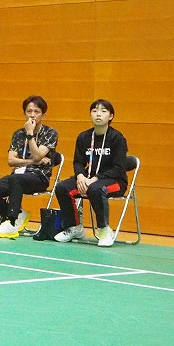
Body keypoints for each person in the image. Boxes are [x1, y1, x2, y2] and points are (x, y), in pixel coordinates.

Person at [0, 95, 58, 238]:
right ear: (24, 113)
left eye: (36, 112)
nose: (32, 115)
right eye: (29, 111)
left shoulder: (50, 133)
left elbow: (37, 155)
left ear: (43, 115)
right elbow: (11, 160)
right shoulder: (18, 134)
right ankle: (18, 212)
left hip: (38, 177)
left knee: (15, 180)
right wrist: (33, 161)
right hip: (17, 176)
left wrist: (30, 134)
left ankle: (11, 222)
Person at [53, 99, 128, 247]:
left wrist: (95, 179)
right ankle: (74, 227)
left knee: (96, 189)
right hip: (88, 179)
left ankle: (104, 230)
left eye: (103, 111)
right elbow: (78, 161)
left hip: (115, 181)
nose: (98, 114)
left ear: (111, 116)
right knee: (62, 188)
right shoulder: (84, 137)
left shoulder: (117, 138)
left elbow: (119, 168)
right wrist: (80, 176)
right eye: (94, 111)